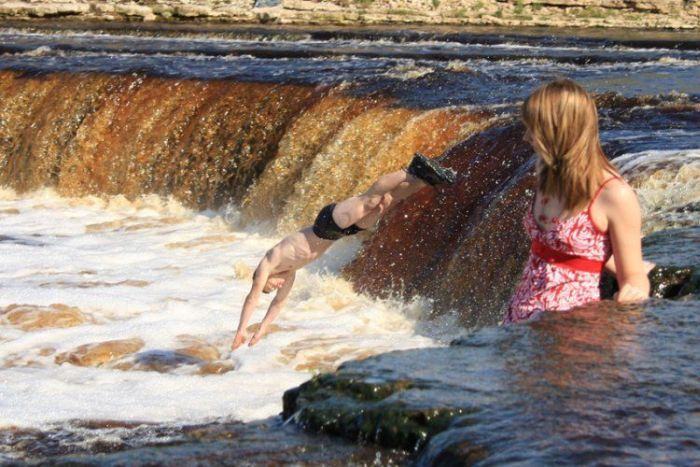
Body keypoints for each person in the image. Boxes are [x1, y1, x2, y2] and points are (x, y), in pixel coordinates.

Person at [232, 153, 456, 349]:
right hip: (342, 233)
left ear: (264, 279)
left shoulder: (268, 263)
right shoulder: (289, 276)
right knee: (387, 203)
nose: (275, 289)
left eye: (269, 288)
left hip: (328, 223)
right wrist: (261, 329)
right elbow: (277, 305)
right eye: (272, 290)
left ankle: (409, 169)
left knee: (370, 199)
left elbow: (252, 298)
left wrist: (241, 330)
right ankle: (425, 178)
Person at [504, 79, 651, 324]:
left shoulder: (614, 194)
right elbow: (569, 250)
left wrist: (633, 294)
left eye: (534, 129)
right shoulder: (547, 174)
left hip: (570, 328)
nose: (526, 137)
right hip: (522, 316)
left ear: (559, 131)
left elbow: (634, 277)